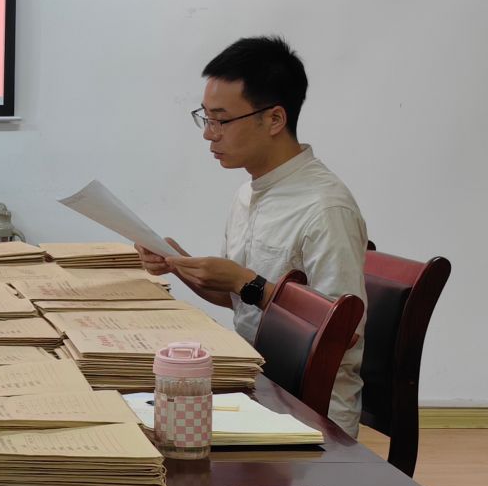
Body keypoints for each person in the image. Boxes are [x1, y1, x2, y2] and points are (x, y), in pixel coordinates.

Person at [136, 36, 369, 434]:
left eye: (221, 120)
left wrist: (246, 282)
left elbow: (343, 332)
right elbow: (241, 300)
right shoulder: (250, 191)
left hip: (308, 408)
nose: (209, 134)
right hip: (258, 381)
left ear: (274, 119)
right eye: (205, 118)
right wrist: (179, 264)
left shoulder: (325, 207)